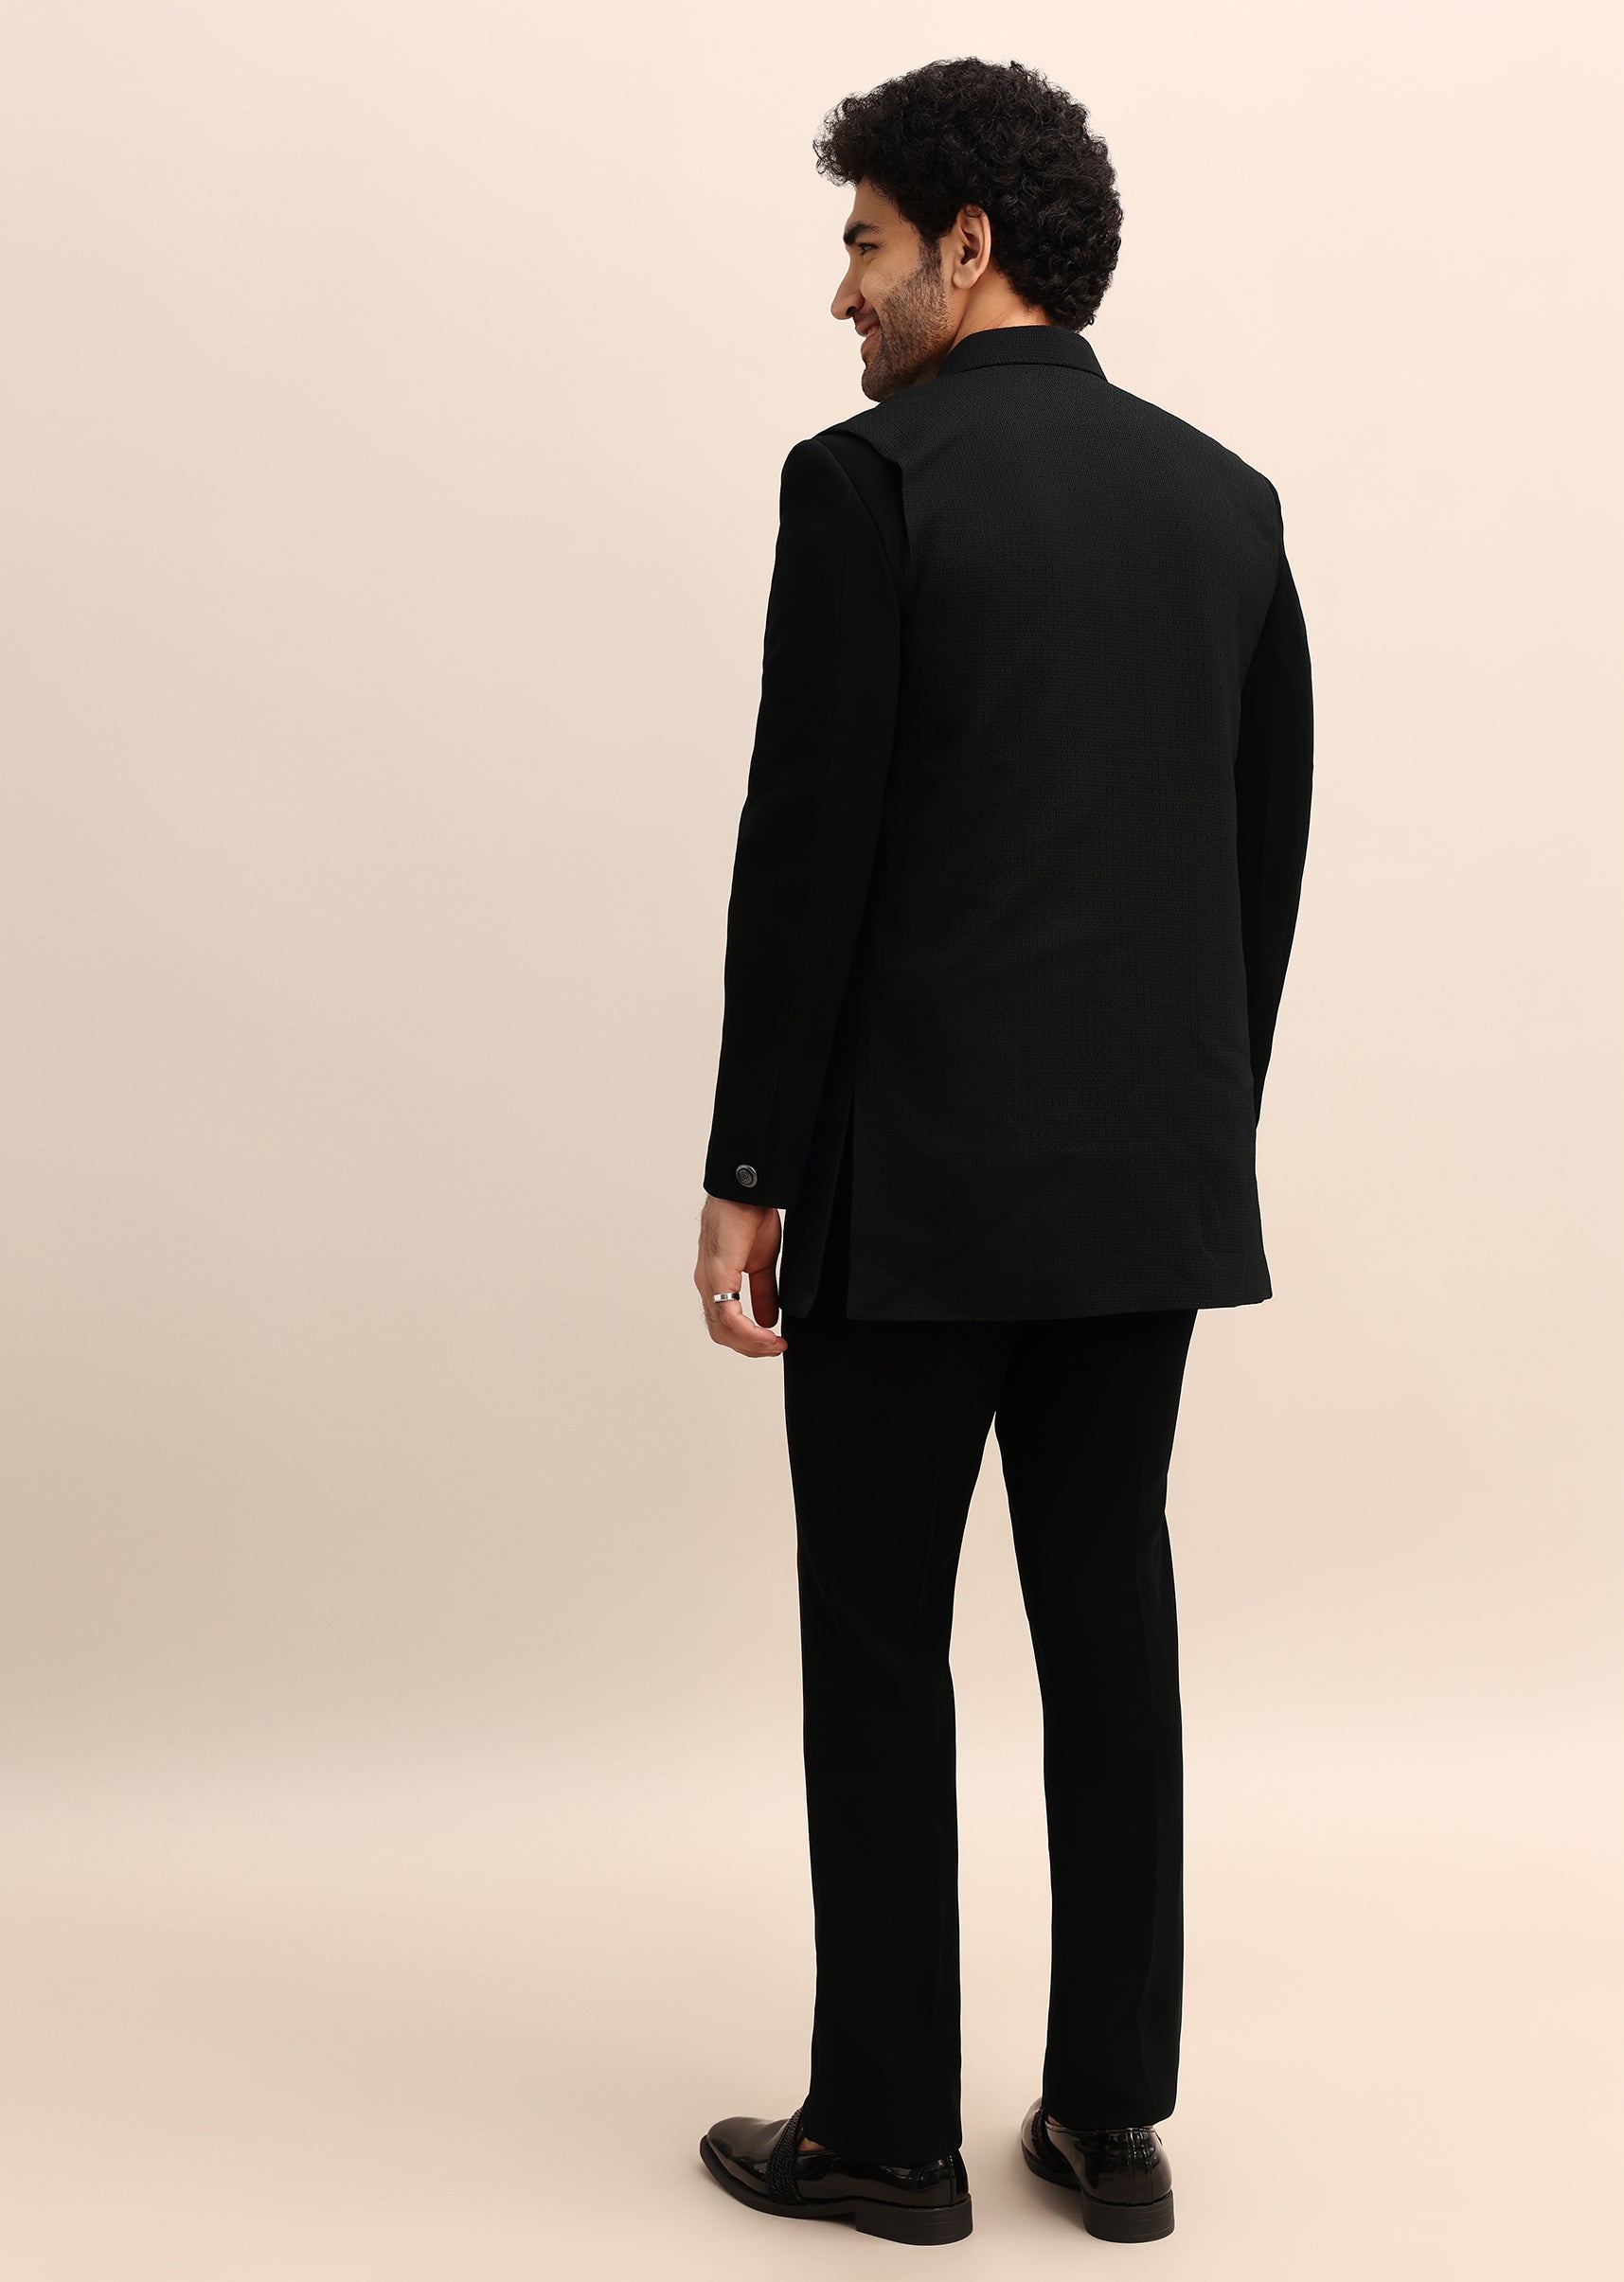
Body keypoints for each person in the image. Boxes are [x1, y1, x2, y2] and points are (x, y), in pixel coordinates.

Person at [691, 56, 1313, 2250]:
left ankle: (886, 2131)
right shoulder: (1226, 503)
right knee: (1108, 1616)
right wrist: (1190, 1126)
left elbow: (809, 847)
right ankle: (1113, 2120)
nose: (841, 291)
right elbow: (1261, 857)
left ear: (971, 244)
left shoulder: (869, 484)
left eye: (866, 241)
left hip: (915, 1189)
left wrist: (752, 1159)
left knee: (881, 1636)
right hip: (1143, 1183)